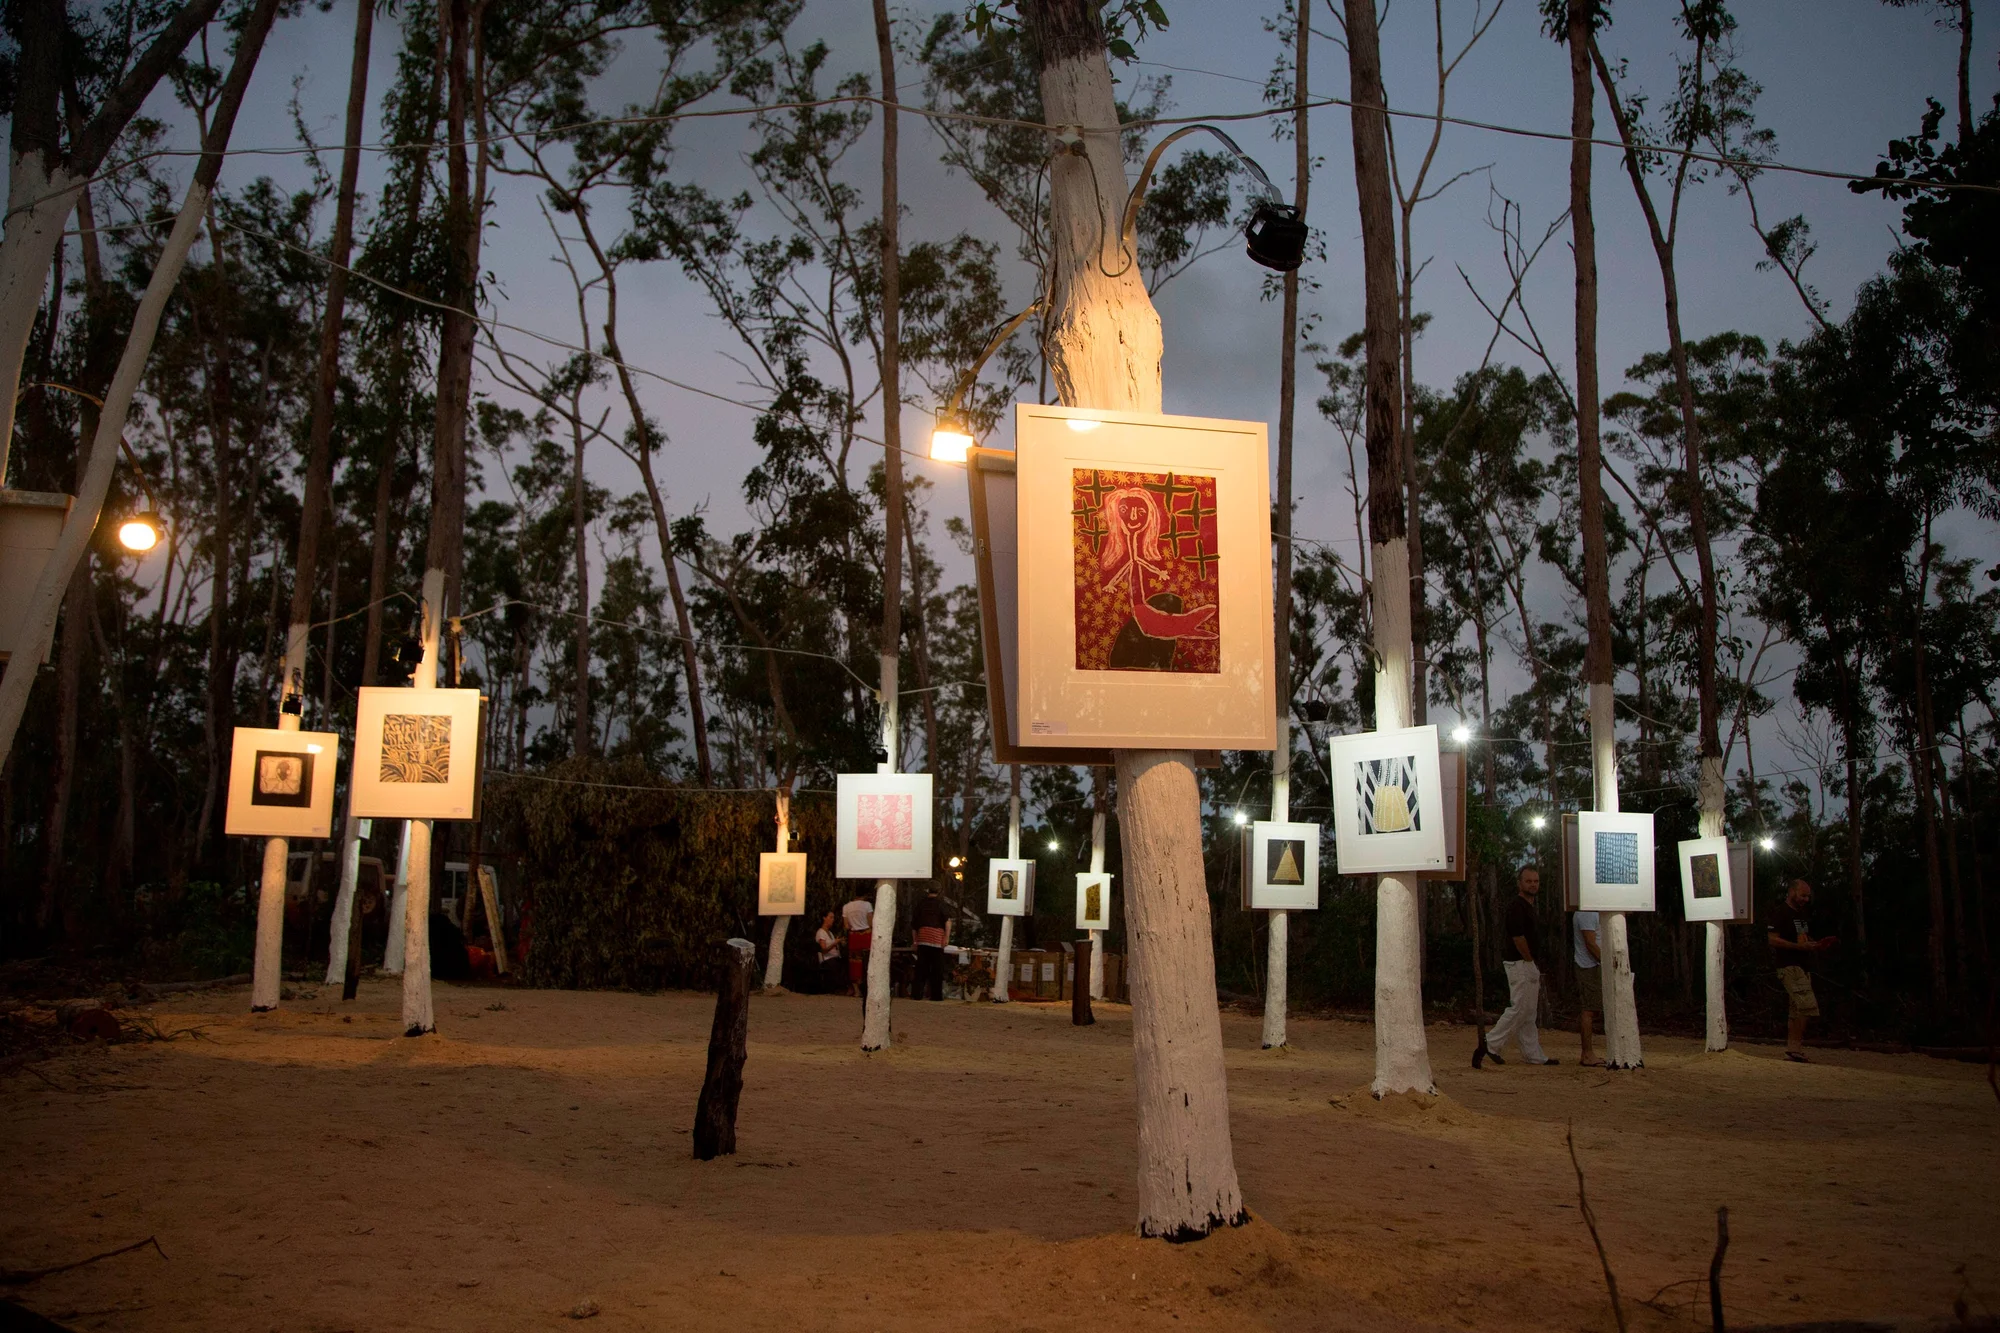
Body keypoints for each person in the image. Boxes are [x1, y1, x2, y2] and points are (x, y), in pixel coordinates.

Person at [1476, 866, 1559, 1067]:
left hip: (1528, 962)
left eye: (1536, 881)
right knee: (1520, 1007)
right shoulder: (1516, 906)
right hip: (1520, 963)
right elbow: (1517, 936)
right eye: (1529, 881)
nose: (1533, 884)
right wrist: (1529, 960)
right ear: (1519, 883)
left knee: (1529, 1012)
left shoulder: (1529, 907)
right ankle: (1491, 1043)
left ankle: (1533, 1054)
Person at [1766, 878, 1835, 1061]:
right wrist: (1798, 947)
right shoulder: (1781, 912)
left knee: (1797, 1009)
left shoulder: (1801, 914)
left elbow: (1802, 938)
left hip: (1803, 966)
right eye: (1803, 895)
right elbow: (1772, 939)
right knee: (1806, 1006)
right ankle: (1795, 1047)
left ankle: (1794, 1047)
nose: (1805, 899)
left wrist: (1815, 945)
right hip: (1789, 965)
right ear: (1792, 892)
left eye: (1808, 896)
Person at [1573, 908, 1603, 1067]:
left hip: (1593, 965)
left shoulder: (1593, 911)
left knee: (1593, 1009)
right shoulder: (1586, 912)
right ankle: (1587, 1053)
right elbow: (1590, 942)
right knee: (1589, 1010)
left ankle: (1588, 1053)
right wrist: (1606, 962)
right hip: (1588, 966)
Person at [911, 887, 952, 1001]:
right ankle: (936, 996)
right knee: (937, 969)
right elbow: (947, 922)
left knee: (921, 968)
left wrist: (915, 941)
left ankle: (917, 994)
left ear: (927, 891)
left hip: (923, 936)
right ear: (939, 892)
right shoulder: (941, 904)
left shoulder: (921, 904)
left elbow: (914, 925)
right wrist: (946, 938)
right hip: (937, 938)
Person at [842, 890, 874, 998]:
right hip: (866, 935)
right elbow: (870, 922)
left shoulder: (846, 907)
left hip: (854, 936)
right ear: (864, 895)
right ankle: (868, 988)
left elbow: (846, 925)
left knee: (854, 963)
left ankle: (856, 990)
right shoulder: (867, 905)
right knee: (867, 962)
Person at [814, 911, 844, 995]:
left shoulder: (830, 933)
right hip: (827, 959)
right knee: (836, 965)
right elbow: (823, 950)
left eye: (833, 918)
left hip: (835, 957)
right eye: (830, 917)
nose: (832, 920)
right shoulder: (821, 933)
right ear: (824, 918)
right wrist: (834, 943)